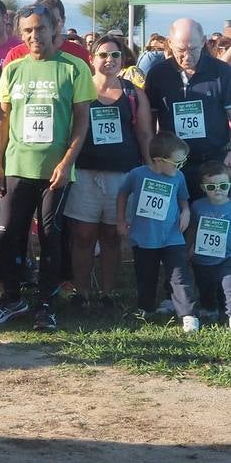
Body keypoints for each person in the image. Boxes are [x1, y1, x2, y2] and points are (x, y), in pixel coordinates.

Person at [0, 4, 95, 331]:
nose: (35, 36)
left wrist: (66, 163)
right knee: (8, 234)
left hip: (55, 171)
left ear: (54, 30)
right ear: (21, 34)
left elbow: (81, 122)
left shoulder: (74, 68)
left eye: (40, 29)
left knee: (50, 236)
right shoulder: (13, 69)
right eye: (28, 31)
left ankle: (46, 306)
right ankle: (11, 299)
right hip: (17, 166)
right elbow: (2, 121)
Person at [62, 35, 152, 308]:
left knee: (113, 236)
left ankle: (107, 294)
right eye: (103, 55)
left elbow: (145, 133)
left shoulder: (133, 94)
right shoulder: (79, 90)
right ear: (92, 59)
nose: (109, 60)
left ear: (123, 60)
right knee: (83, 235)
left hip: (122, 176)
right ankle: (82, 292)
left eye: (115, 55)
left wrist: (149, 171)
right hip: (85, 175)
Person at [116, 131, 198, 331]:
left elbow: (183, 200)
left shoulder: (178, 176)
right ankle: (146, 307)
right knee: (146, 274)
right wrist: (120, 220)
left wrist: (186, 212)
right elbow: (122, 194)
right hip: (144, 238)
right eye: (177, 163)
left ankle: (188, 314)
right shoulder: (137, 174)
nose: (180, 167)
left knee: (179, 275)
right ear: (159, 161)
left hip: (172, 236)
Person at [142, 19, 231, 196]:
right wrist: (151, 159)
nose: (187, 56)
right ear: (169, 43)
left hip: (215, 161)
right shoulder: (158, 74)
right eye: (180, 50)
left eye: (193, 49)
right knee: (175, 219)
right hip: (171, 164)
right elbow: (149, 122)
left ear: (204, 41)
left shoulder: (222, 71)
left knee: (212, 218)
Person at [187, 160, 231, 325]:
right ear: (203, 188)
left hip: (227, 257)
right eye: (212, 187)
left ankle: (229, 313)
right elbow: (192, 229)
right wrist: (188, 248)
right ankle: (208, 308)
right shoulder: (198, 206)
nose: (218, 189)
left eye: (223, 185)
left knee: (228, 286)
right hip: (202, 257)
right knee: (205, 285)